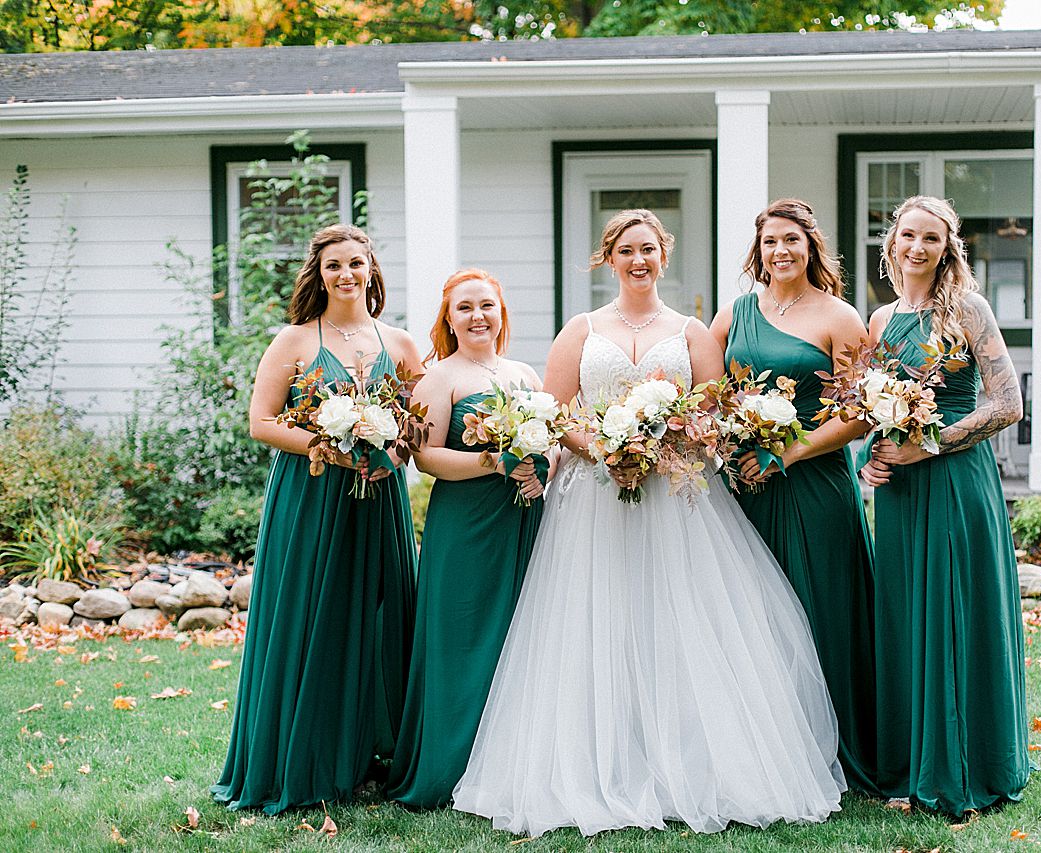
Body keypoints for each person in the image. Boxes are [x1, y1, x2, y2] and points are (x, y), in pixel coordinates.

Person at [452, 209, 846, 837]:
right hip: (595, 500)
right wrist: (605, 448)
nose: (638, 261)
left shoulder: (692, 332)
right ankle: (600, 763)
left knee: (680, 619)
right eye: (626, 251)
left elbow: (713, 414)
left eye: (648, 250)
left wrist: (665, 444)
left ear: (664, 256)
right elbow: (554, 412)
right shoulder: (580, 330)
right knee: (597, 623)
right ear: (609, 259)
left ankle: (690, 765)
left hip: (678, 496)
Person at [212, 224, 421, 814]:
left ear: (372, 269)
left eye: (356, 263)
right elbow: (261, 422)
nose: (346, 274)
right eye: (334, 265)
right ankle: (300, 758)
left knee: (378, 616)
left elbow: (418, 425)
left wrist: (392, 452)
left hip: (378, 500)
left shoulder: (401, 344)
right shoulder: (294, 340)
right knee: (309, 617)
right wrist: (329, 447)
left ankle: (372, 755)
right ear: (319, 274)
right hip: (311, 498)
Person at [859, 195, 1030, 813]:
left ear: (947, 248)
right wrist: (874, 457)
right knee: (906, 614)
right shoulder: (879, 321)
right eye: (909, 235)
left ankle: (964, 762)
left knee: (956, 610)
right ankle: (910, 762)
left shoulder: (968, 310)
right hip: (901, 494)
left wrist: (928, 445)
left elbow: (1008, 404)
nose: (918, 247)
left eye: (931, 238)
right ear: (892, 242)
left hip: (957, 481)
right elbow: (870, 408)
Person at [709, 198, 878, 793]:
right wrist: (728, 444)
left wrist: (790, 450)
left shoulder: (840, 317)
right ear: (758, 251)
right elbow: (707, 395)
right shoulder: (734, 315)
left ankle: (835, 746)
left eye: (791, 240)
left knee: (819, 607)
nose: (780, 251)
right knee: (749, 613)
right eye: (770, 241)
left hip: (814, 486)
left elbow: (859, 414)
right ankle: (760, 751)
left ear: (811, 247)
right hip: (745, 486)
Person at [387, 269, 547, 808]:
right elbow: (426, 457)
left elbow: (549, 441)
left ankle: (512, 765)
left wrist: (542, 469)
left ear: (501, 313)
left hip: (523, 519)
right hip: (466, 524)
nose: (478, 316)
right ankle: (450, 766)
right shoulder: (439, 378)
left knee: (519, 637)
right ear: (449, 319)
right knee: (462, 637)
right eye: (465, 308)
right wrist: (494, 462)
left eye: (487, 306)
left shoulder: (524, 374)